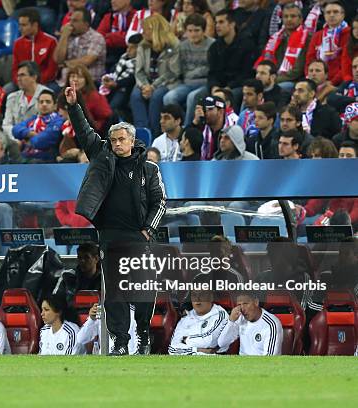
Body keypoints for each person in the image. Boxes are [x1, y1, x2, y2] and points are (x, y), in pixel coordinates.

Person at [66, 81, 166, 355]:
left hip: (138, 236)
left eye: (122, 139)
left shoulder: (148, 168)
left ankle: (143, 335)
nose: (117, 144)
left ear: (132, 141)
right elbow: (85, 132)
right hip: (110, 236)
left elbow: (160, 201)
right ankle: (121, 342)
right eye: (114, 140)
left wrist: (148, 229)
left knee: (144, 292)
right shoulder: (102, 156)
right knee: (116, 295)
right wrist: (74, 106)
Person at [130, 14, 180, 136]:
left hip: (167, 82)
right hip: (146, 82)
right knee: (135, 95)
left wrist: (153, 87)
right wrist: (145, 86)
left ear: (155, 29)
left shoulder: (174, 45)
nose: (143, 33)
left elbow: (173, 72)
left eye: (145, 29)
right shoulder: (143, 45)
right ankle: (143, 133)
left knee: (157, 96)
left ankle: (156, 133)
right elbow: (139, 71)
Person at [163, 13, 214, 125]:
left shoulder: (212, 45)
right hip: (186, 83)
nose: (193, 34)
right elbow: (179, 69)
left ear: (203, 30)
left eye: (196, 30)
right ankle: (178, 125)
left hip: (205, 83)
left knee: (192, 97)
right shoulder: (182, 45)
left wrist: (195, 73)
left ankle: (187, 128)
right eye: (190, 31)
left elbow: (212, 68)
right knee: (169, 97)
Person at [256, 3, 311, 92]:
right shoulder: (276, 38)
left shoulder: (307, 38)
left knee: (277, 88)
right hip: (273, 78)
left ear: (301, 19)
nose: (289, 19)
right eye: (286, 16)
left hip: (293, 81)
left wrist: (273, 80)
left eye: (293, 16)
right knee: (251, 89)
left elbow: (297, 71)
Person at [207, 9, 255, 109]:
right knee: (194, 96)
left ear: (232, 24)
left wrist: (228, 88)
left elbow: (247, 74)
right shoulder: (214, 47)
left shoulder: (247, 45)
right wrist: (214, 86)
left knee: (228, 97)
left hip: (237, 86)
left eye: (221, 22)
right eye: (216, 22)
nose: (217, 26)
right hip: (218, 87)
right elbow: (212, 73)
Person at [168, 286, 230, 355]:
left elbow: (209, 342)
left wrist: (185, 340)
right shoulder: (186, 318)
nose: (197, 299)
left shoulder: (220, 315)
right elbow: (172, 350)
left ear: (211, 297)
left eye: (202, 295)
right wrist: (197, 349)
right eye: (194, 295)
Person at [217, 291, 283, 355]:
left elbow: (269, 360)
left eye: (245, 303)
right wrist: (231, 320)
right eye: (239, 305)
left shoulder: (271, 324)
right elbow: (222, 343)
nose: (242, 309)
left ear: (256, 302)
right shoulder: (240, 318)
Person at [53, 7, 106, 84]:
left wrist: (65, 64)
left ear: (86, 24)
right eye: (70, 20)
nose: (70, 24)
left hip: (88, 83)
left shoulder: (96, 38)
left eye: (75, 21)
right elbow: (58, 59)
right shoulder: (68, 35)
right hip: (64, 82)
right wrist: (64, 36)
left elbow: (87, 60)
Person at [305, 0, 350, 86]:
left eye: (335, 12)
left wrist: (332, 82)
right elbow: (309, 60)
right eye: (328, 12)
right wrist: (309, 78)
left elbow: (347, 64)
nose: (332, 15)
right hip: (316, 80)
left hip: (339, 82)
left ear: (343, 15)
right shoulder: (317, 35)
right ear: (324, 15)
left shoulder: (349, 34)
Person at [12, 90, 64, 162]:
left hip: (46, 161)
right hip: (25, 158)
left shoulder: (58, 121)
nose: (44, 104)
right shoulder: (33, 119)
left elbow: (41, 141)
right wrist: (29, 133)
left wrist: (26, 139)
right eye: (41, 102)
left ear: (55, 106)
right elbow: (15, 129)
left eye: (48, 102)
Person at [3, 61, 51, 136]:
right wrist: (17, 138)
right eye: (18, 76)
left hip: (38, 138)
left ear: (34, 77)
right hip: (16, 139)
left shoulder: (47, 95)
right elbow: (6, 125)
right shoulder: (12, 98)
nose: (18, 79)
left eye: (22, 75)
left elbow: (49, 122)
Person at [12, 8, 58, 86]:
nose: (20, 29)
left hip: (45, 82)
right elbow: (15, 69)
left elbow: (52, 70)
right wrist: (20, 81)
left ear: (35, 25)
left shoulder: (51, 41)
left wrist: (34, 83)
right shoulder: (17, 43)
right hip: (23, 83)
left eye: (24, 25)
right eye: (19, 25)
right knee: (7, 90)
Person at [96, 0, 136, 70]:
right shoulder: (108, 17)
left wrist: (110, 36)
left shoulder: (137, 16)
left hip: (131, 58)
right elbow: (98, 39)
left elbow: (132, 39)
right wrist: (119, 37)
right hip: (109, 58)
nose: (112, 1)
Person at [192, 95, 227, 160]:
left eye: (210, 109)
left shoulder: (232, 126)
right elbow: (184, 143)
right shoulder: (201, 126)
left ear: (221, 112)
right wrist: (195, 122)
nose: (205, 113)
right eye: (204, 109)